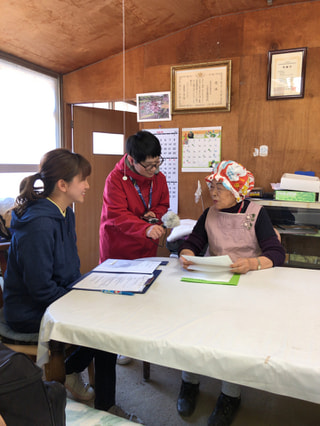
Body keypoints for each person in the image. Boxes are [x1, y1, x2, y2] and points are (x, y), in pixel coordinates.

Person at [3, 148, 117, 412]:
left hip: (57, 295)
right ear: (63, 185)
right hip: (29, 309)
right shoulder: (39, 224)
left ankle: (71, 371)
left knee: (108, 316)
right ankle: (105, 407)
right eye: (83, 180)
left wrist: (88, 290)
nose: (88, 185)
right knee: (104, 327)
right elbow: (39, 288)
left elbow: (68, 269)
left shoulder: (65, 212)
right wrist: (82, 298)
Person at [176, 160, 286, 426]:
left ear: (237, 190)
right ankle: (189, 382)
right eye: (212, 187)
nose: (213, 193)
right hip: (215, 280)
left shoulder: (256, 213)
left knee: (234, 338)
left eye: (220, 188)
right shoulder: (209, 213)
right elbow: (194, 242)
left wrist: (251, 263)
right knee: (194, 329)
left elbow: (276, 253)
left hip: (248, 282)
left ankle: (230, 395)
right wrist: (187, 254)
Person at [99, 130, 170, 365]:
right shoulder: (115, 179)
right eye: (149, 165)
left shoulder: (158, 176)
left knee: (144, 292)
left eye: (157, 163)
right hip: (119, 246)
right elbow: (116, 216)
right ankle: (118, 344)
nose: (155, 170)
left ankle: (139, 338)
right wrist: (145, 228)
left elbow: (163, 203)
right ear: (131, 160)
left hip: (146, 244)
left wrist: (155, 214)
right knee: (118, 297)